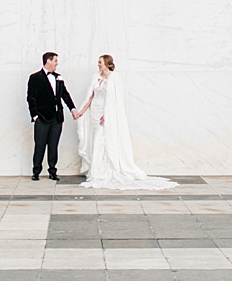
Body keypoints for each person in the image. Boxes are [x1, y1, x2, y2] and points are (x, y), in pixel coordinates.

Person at [75, 55, 177, 190]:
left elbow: (116, 100)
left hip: (106, 115)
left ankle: (101, 172)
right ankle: (97, 170)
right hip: (94, 113)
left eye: (100, 62)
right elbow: (90, 96)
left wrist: (108, 115)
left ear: (106, 63)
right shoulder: (96, 77)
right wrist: (81, 112)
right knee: (96, 141)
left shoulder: (114, 78)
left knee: (102, 140)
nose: (98, 64)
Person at [27, 51, 79, 181]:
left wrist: (72, 109)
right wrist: (35, 116)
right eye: (55, 60)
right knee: (39, 145)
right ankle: (36, 171)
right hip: (42, 117)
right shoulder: (35, 77)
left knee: (53, 145)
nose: (57, 63)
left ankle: (52, 171)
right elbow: (31, 98)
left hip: (57, 118)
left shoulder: (58, 77)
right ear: (48, 61)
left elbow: (65, 94)